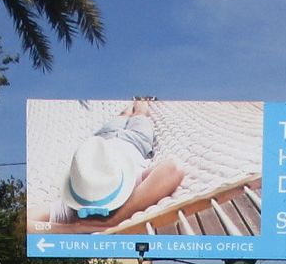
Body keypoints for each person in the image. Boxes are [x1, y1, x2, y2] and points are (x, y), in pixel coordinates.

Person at [35, 98, 184, 232]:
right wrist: (115, 219)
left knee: (123, 115)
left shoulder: (70, 207)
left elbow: (26, 222)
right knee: (140, 114)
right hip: (136, 140)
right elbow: (173, 168)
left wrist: (78, 227)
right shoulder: (131, 187)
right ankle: (140, 100)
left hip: (102, 140)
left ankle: (135, 101)